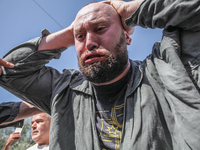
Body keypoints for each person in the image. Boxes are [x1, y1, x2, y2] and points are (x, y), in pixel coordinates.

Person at [0, 0, 200, 149]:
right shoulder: (63, 92)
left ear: (127, 36)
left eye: (100, 28)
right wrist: (69, 33)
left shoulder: (164, 70)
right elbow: (9, 72)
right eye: (80, 37)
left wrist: (129, 11)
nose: (89, 43)